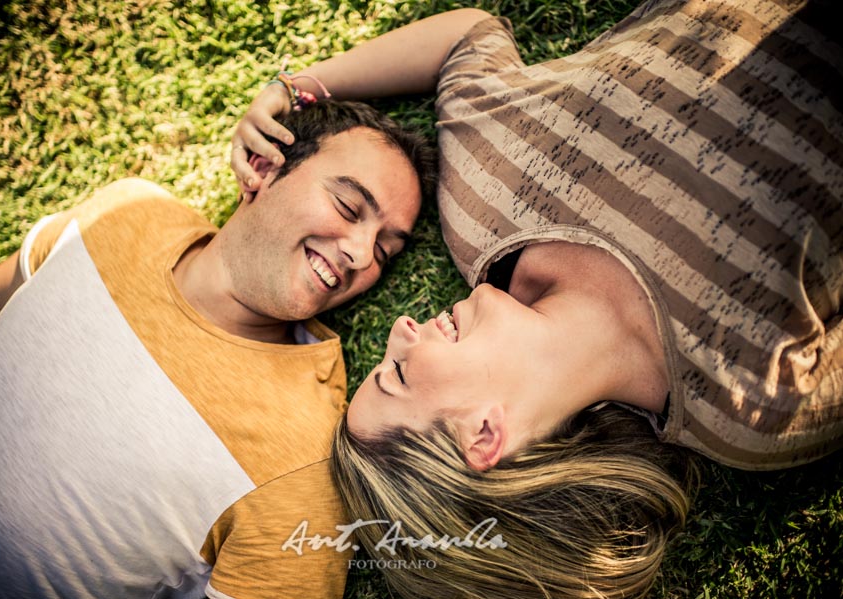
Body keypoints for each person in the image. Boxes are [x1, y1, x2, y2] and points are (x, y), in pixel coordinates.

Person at [233, 1, 843, 597]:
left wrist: (295, 89)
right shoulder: (756, 408)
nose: (401, 327)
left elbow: (465, 37)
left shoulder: (482, 206)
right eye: (395, 373)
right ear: (482, 435)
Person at [0, 100, 435, 598]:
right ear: (263, 168)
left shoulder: (304, 467)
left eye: (383, 251)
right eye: (349, 208)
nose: (358, 254)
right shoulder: (127, 213)